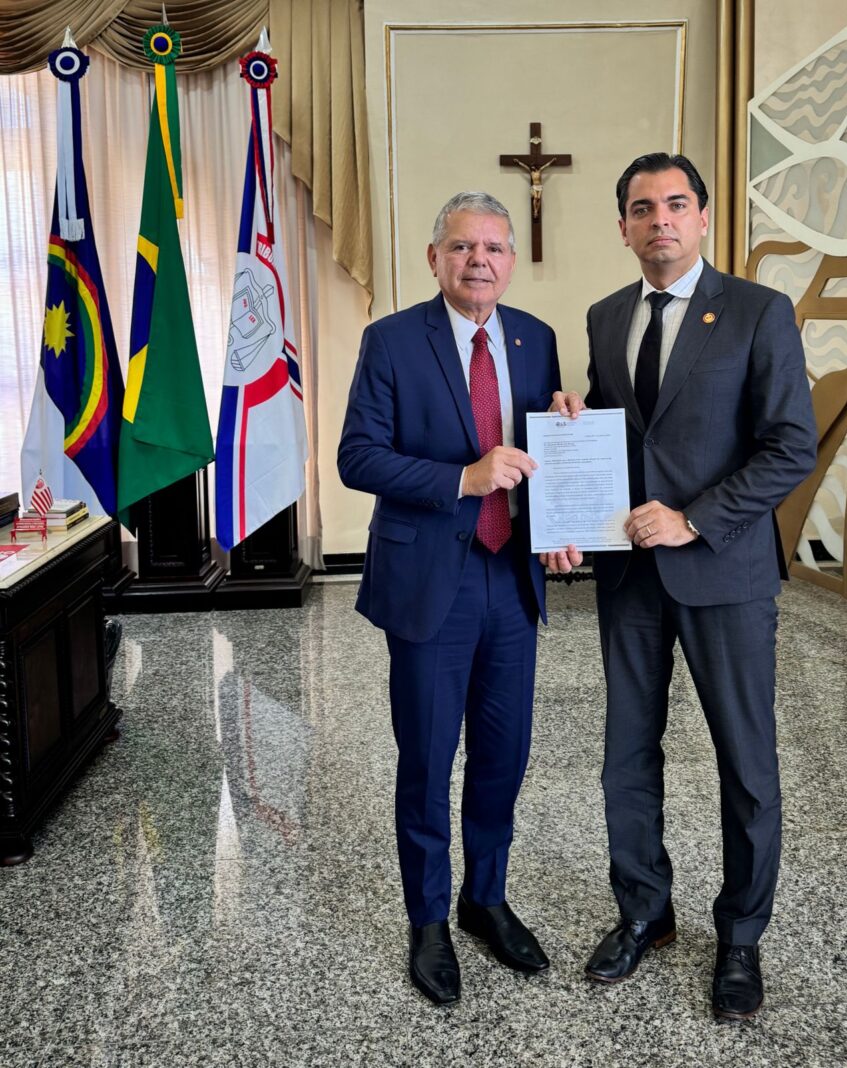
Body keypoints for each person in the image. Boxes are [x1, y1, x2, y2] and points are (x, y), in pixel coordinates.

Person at [547, 153, 817, 1020]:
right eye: (641, 207)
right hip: (630, 575)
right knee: (626, 754)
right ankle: (644, 912)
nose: (658, 218)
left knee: (746, 762)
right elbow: (622, 433)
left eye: (674, 204)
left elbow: (791, 446)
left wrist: (695, 519)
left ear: (701, 217)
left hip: (725, 571)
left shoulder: (758, 311)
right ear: (623, 226)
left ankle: (740, 937)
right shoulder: (605, 316)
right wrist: (574, 425)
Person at [338, 191, 577, 1005]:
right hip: (430, 581)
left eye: (495, 248)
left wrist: (565, 470)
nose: (480, 260)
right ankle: (429, 919)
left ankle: (486, 898)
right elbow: (357, 457)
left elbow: (544, 450)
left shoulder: (535, 338)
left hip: (512, 578)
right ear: (434, 257)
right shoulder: (392, 340)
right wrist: (462, 479)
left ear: (511, 260)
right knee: (429, 756)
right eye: (463, 247)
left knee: (504, 754)